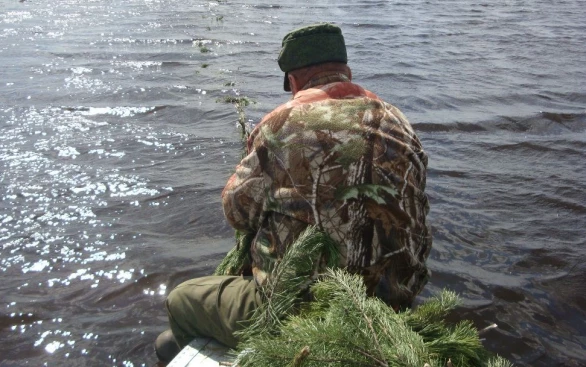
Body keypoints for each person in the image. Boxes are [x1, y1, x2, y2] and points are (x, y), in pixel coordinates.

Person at [155, 23, 431, 364]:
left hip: (305, 314)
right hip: (390, 306)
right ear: (346, 71)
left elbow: (237, 213)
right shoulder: (399, 122)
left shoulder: (280, 122)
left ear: (295, 80)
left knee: (181, 302)